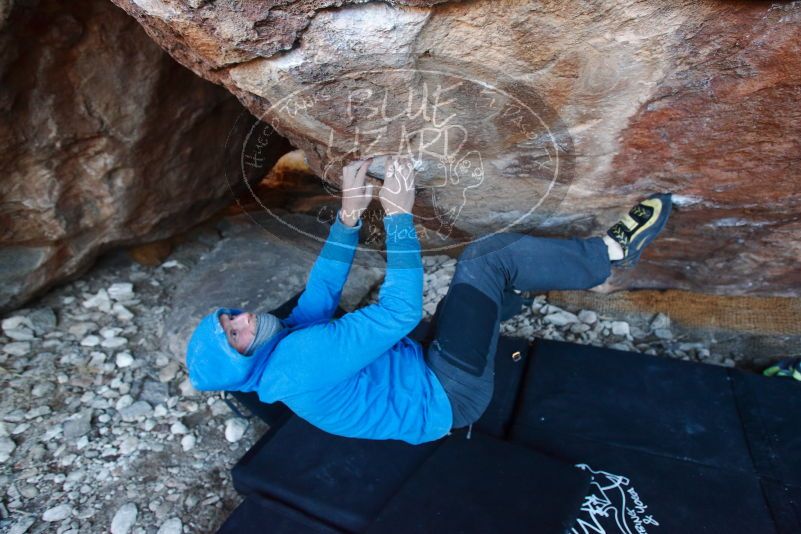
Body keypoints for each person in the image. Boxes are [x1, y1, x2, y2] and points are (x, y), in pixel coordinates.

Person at [186, 155, 672, 445]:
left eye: (229, 317)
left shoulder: (281, 348)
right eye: (236, 334)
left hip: (415, 368)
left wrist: (350, 217)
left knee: (461, 303)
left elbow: (321, 292)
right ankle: (609, 253)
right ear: (243, 361)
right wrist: (399, 216)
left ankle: (506, 298)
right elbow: (399, 311)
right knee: (486, 258)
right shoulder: (298, 362)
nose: (243, 318)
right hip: (449, 394)